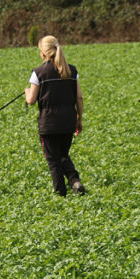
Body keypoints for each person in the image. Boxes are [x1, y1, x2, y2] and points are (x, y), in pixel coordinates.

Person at [25, 35, 86, 196]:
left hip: (49, 124)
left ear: (43, 54)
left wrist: (27, 93)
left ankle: (61, 194)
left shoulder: (38, 72)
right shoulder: (72, 71)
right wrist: (79, 119)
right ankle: (75, 181)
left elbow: (31, 100)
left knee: (53, 160)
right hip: (68, 122)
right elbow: (79, 97)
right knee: (63, 155)